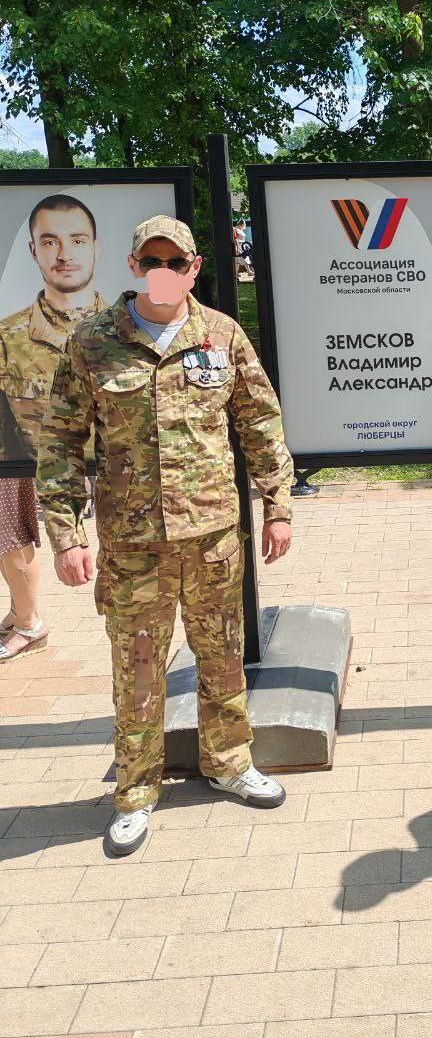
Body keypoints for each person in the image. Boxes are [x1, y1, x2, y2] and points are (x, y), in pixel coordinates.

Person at [37, 215, 294, 856]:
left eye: (176, 263)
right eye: (153, 260)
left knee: (223, 658)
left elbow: (260, 423)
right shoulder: (93, 343)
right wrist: (67, 536)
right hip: (133, 547)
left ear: (194, 269)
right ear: (133, 266)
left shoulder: (222, 336)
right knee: (138, 671)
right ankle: (135, 793)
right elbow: (62, 444)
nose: (165, 272)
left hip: (212, 541)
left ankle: (231, 764)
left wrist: (278, 506)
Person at [0, 194, 106, 661]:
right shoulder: (7, 337)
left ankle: (25, 617)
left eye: (76, 240)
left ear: (95, 247)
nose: (64, 253)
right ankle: (24, 615)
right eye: (50, 241)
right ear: (33, 251)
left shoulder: (131, 329)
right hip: (33, 470)